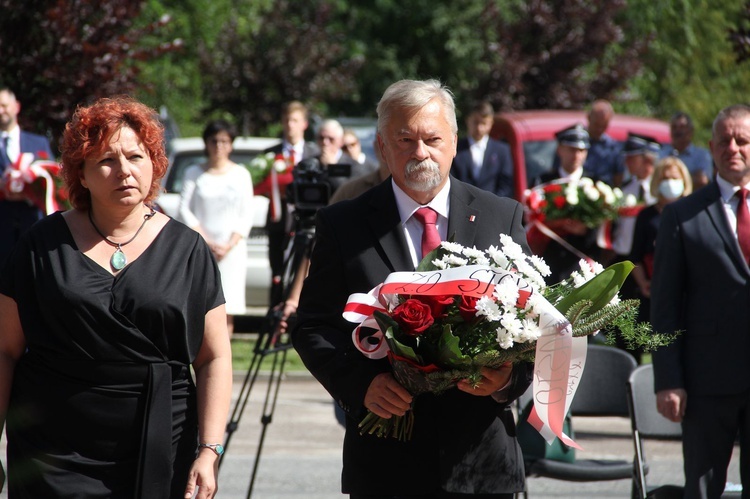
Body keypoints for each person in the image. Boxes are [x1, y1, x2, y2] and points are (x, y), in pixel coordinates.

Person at [292, 79, 533, 498]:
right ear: (382, 147)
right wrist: (360, 386)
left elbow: (535, 326)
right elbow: (312, 326)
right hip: (387, 464)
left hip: (481, 463)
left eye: (432, 139)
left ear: (454, 142)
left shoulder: (502, 218)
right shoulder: (343, 225)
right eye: (404, 140)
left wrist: (508, 378)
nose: (419, 152)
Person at [0, 96, 233, 498]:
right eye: (106, 160)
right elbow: (4, 350)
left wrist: (209, 450)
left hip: (159, 443)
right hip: (51, 452)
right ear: (82, 174)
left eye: (136, 156)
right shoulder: (41, 246)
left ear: (154, 164)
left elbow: (213, 356)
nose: (124, 171)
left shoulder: (188, 249)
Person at [651, 103, 750, 498]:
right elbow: (664, 304)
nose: (733, 148)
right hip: (707, 380)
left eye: (742, 139)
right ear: (710, 146)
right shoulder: (682, 215)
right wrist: (669, 380)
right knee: (704, 489)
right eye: (725, 140)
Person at [179, 119, 254, 335]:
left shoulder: (241, 174)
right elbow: (185, 210)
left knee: (227, 306)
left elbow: (245, 213)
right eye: (214, 141)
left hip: (232, 251)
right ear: (206, 143)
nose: (219, 146)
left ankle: (224, 360)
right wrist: (207, 242)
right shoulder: (194, 172)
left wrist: (228, 245)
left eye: (224, 141)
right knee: (200, 304)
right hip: (200, 249)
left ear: (231, 144)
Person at [258, 101, 320, 307]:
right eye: (286, 120)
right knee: (277, 271)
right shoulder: (270, 153)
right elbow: (259, 184)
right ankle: (276, 323)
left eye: (294, 120)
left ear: (303, 124)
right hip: (279, 219)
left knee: (307, 270)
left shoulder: (315, 153)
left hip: (309, 220)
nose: (290, 125)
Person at [629, 156, 692, 326]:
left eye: (674, 178)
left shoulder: (693, 213)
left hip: (686, 290)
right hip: (654, 289)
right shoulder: (646, 216)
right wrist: (643, 283)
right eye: (665, 178)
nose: (670, 183)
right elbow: (635, 256)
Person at [534, 123, 600, 283]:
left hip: (582, 262)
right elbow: (531, 219)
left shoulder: (596, 184)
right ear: (560, 149)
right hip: (549, 260)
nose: (576, 155)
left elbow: (605, 226)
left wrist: (586, 230)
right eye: (571, 149)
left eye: (581, 150)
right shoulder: (543, 182)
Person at [0, 87, 55, 270]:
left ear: (16, 107)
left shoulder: (39, 143)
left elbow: (52, 179)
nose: (1, 111)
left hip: (33, 226)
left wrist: (31, 190)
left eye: (4, 105)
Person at [605, 132, 660, 265]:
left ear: (647, 160)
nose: (626, 162)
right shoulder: (624, 189)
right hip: (623, 257)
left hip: (649, 260)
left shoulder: (659, 191)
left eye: (632, 158)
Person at [450, 100, 514, 198]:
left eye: (484, 123)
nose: (479, 128)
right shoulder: (455, 148)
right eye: (475, 122)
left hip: (492, 207)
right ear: (468, 120)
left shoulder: (502, 150)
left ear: (491, 123)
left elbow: (506, 184)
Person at [659, 111, 714, 190]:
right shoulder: (662, 153)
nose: (678, 131)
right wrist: (691, 177)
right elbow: (656, 180)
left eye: (682, 127)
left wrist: (670, 179)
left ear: (691, 131)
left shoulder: (702, 155)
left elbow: (702, 180)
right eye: (674, 127)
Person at [582, 99, 623, 187]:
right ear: (589, 118)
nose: (599, 129)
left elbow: (618, 177)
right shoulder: (576, 143)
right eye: (596, 124)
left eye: (604, 126)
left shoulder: (613, 147)